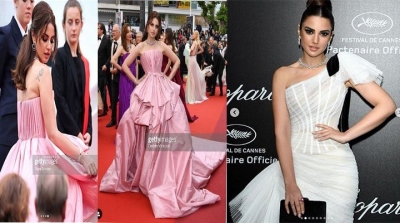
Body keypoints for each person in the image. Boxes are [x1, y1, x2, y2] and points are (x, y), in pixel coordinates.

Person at [229, 0, 396, 222]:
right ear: (299, 30)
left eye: (323, 33)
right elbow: (282, 131)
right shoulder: (282, 75)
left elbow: (387, 105)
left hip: (336, 170)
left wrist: (346, 135)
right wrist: (290, 183)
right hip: (294, 166)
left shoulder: (341, 66)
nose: (315, 40)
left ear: (331, 37)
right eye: (309, 31)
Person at [100, 11, 225, 218]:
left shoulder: (161, 45)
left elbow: (176, 61)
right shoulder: (139, 46)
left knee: (166, 125)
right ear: (147, 25)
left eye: (157, 26)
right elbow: (123, 65)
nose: (154, 29)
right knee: (135, 124)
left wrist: (165, 76)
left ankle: (159, 171)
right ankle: (144, 169)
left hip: (161, 86)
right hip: (147, 86)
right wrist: (138, 80)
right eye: (151, 25)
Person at [0, 1, 97, 222]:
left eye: (52, 40)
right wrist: (81, 157)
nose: (49, 47)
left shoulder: (21, 73)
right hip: (39, 155)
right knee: (71, 193)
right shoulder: (44, 73)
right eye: (44, 38)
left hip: (18, 155)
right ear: (33, 36)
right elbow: (52, 133)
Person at [52, 0, 92, 146]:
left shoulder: (84, 62)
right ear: (63, 25)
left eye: (77, 22)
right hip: (65, 135)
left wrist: (89, 131)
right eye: (70, 22)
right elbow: (59, 100)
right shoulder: (59, 56)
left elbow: (87, 101)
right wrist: (76, 133)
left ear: (82, 24)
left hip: (83, 136)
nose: (74, 28)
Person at [0, 0, 34, 169]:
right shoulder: (5, 35)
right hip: (8, 128)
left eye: (32, 1)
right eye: (25, 0)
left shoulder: (33, 42)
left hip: (29, 131)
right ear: (15, 2)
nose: (29, 6)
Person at [163, 28, 198, 122]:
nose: (163, 34)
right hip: (166, 71)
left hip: (169, 72)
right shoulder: (166, 45)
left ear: (168, 34)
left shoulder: (169, 46)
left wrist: (164, 72)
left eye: (164, 33)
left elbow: (169, 62)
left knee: (174, 95)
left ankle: (175, 116)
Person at [110, 23, 136, 125]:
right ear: (124, 33)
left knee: (132, 101)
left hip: (133, 77)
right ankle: (124, 128)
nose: (129, 34)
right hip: (124, 78)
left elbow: (136, 64)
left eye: (130, 31)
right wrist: (122, 69)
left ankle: (132, 128)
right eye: (128, 32)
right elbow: (112, 60)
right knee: (125, 100)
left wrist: (136, 78)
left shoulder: (134, 46)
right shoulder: (121, 48)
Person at [185, 30, 208, 104]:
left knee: (192, 78)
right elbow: (202, 50)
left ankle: (192, 96)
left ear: (196, 35)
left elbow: (190, 51)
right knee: (194, 77)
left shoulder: (195, 42)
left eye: (193, 34)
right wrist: (196, 53)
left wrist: (188, 50)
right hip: (193, 59)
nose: (192, 35)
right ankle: (195, 94)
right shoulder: (197, 43)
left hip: (192, 60)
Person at [106, 23, 122, 128]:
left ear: (119, 32)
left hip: (121, 75)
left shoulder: (122, 44)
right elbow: (111, 57)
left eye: (114, 31)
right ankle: (113, 119)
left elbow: (123, 60)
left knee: (121, 99)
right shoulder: (113, 43)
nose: (113, 32)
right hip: (112, 75)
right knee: (113, 97)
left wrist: (117, 69)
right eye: (112, 31)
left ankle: (120, 121)